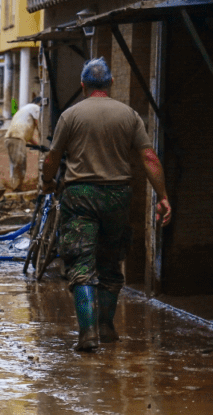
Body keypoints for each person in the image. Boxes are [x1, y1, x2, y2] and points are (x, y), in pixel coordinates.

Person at [41, 57, 171, 353]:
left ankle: (87, 333)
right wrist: (162, 196)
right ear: (111, 83)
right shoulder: (129, 115)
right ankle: (105, 326)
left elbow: (53, 157)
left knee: (80, 263)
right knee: (111, 263)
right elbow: (149, 158)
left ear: (83, 85)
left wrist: (47, 181)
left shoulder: (70, 116)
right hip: (117, 196)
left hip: (79, 195)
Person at [5, 97, 41, 190]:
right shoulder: (35, 107)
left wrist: (38, 146)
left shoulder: (25, 110)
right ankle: (17, 188)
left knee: (15, 165)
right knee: (20, 164)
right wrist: (42, 136)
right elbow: (39, 124)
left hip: (11, 137)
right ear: (39, 103)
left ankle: (15, 186)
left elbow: (29, 137)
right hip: (17, 138)